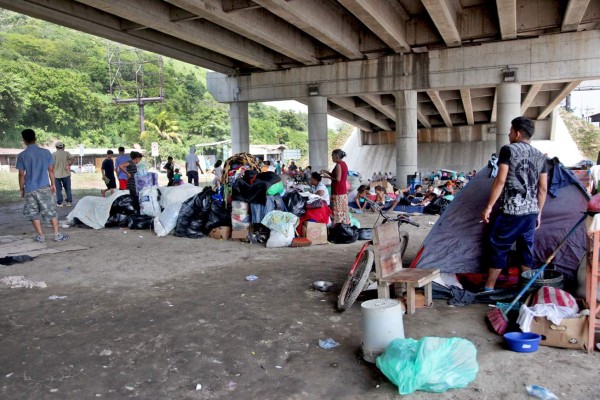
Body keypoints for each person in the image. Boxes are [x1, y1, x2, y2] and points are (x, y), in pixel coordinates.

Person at [481, 116, 548, 292]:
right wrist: (538, 213)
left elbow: (501, 180)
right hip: (531, 213)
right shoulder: (541, 157)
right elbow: (543, 188)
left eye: (510, 131)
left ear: (517, 133)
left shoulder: (508, 150)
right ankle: (526, 289)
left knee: (499, 247)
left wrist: (488, 207)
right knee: (525, 249)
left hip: (511, 212)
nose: (509, 135)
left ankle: (488, 288)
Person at [16, 129, 69, 242]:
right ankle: (56, 235)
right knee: (50, 211)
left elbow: (21, 174)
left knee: (33, 213)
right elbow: (51, 170)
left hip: (30, 188)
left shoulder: (22, 155)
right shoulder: (45, 153)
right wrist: (53, 184)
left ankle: (41, 236)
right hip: (44, 187)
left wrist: (21, 189)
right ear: (35, 139)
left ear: (24, 140)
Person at [320, 149, 350, 225]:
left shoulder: (339, 165)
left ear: (336, 156)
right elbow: (336, 176)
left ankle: (338, 226)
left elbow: (338, 179)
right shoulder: (343, 164)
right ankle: (343, 225)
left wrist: (327, 177)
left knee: (337, 211)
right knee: (342, 210)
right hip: (342, 190)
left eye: (332, 156)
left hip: (338, 191)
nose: (332, 158)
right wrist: (326, 172)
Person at [52, 141, 73, 207]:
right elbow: (73, 158)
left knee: (58, 189)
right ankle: (69, 202)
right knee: (68, 189)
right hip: (66, 174)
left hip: (56, 175)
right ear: (63, 147)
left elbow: (51, 164)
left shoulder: (53, 154)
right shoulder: (67, 153)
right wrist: (69, 164)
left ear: (56, 147)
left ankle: (60, 203)